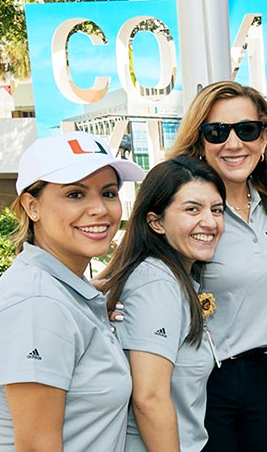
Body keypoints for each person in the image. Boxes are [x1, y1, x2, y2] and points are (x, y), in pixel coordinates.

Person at [0, 131, 145, 450]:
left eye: (108, 193)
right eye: (75, 195)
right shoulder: (37, 305)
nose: (100, 210)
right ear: (32, 206)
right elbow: (38, 446)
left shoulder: (63, 291)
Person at [166, 81, 267, 451]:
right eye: (217, 132)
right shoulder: (185, 210)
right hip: (203, 380)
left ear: (265, 136)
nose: (234, 143)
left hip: (262, 373)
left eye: (247, 129)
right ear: (200, 140)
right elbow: (142, 267)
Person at [99, 156, 226, 452]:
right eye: (192, 209)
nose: (209, 222)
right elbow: (149, 399)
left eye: (216, 210)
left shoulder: (172, 277)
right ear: (155, 221)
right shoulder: (157, 284)